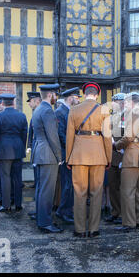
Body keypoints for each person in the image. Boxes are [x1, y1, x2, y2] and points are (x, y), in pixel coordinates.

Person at [66, 82, 112, 238]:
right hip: (98, 154)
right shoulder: (104, 110)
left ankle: (79, 229)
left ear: (85, 94)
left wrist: (68, 158)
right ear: (97, 94)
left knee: (79, 193)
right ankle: (94, 229)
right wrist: (109, 158)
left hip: (78, 154)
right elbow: (107, 137)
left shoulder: (73, 109)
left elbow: (69, 136)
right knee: (96, 193)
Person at [115, 92, 139, 232]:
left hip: (132, 154)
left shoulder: (133, 114)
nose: (124, 105)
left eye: (126, 102)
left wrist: (115, 145)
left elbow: (128, 137)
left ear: (132, 102)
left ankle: (129, 223)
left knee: (128, 191)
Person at [31, 84, 63, 233]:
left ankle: (41, 218)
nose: (56, 97)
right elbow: (53, 136)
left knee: (40, 189)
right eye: (55, 95)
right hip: (48, 154)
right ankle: (45, 222)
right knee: (47, 190)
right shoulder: (48, 110)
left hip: (39, 152)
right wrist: (59, 156)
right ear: (50, 95)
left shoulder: (38, 109)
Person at [0, 94, 28, 213]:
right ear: (13, 103)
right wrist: (21, 146)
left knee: (5, 178)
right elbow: (24, 135)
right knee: (18, 178)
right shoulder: (21, 115)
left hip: (3, 149)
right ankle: (18, 204)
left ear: (2, 103)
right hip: (18, 148)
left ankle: (6, 205)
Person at [55, 87, 81, 224]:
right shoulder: (60, 112)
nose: (78, 100)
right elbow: (61, 134)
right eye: (77, 98)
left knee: (70, 183)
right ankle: (63, 211)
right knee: (67, 183)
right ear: (70, 98)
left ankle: (65, 209)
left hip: (70, 151)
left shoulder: (68, 110)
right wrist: (73, 146)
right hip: (66, 152)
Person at [105, 93, 126, 224]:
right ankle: (115, 212)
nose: (114, 103)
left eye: (116, 101)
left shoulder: (127, 116)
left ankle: (124, 213)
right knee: (112, 186)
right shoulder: (111, 117)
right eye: (114, 101)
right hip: (112, 156)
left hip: (123, 155)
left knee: (123, 187)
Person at [26, 92, 42, 190]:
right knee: (35, 168)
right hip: (35, 146)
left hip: (40, 146)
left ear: (36, 101)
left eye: (30, 101)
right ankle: (36, 184)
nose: (29, 104)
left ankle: (38, 186)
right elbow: (30, 132)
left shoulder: (41, 113)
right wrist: (29, 145)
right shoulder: (35, 113)